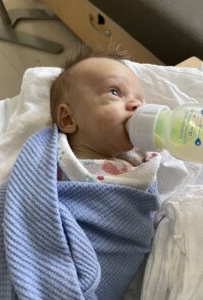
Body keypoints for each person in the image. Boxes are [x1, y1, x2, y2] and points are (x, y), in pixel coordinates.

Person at [49, 45, 161, 298]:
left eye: (140, 101)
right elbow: (30, 208)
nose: (136, 105)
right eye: (115, 92)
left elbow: (141, 218)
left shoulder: (137, 169)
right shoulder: (50, 162)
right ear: (68, 119)